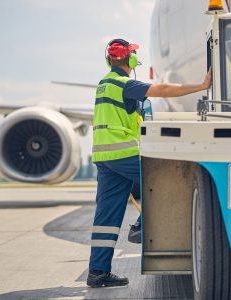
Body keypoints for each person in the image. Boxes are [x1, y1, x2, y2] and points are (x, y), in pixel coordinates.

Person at [87, 38, 211, 288]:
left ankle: (98, 273)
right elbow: (162, 91)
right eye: (134, 55)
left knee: (106, 217)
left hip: (104, 158)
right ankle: (141, 225)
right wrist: (201, 85)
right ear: (130, 60)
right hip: (122, 153)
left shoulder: (103, 84)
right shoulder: (124, 84)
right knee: (164, 181)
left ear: (109, 59)